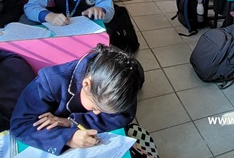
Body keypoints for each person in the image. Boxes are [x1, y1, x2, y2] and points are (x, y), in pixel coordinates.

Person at [10, 44, 144, 155]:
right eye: (96, 107)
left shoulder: (122, 86)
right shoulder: (50, 81)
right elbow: (20, 124)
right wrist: (68, 138)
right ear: (86, 84)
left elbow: (123, 116)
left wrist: (71, 122)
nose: (97, 113)